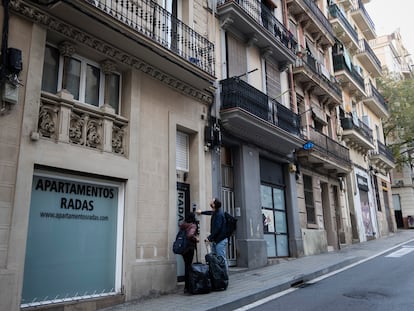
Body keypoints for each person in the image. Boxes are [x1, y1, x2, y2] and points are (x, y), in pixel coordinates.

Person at [196, 198, 228, 270]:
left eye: (212, 201)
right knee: (217, 258)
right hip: (217, 240)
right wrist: (201, 212)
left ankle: (224, 276)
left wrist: (209, 238)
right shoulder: (216, 211)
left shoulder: (219, 214)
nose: (210, 202)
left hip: (220, 240)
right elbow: (210, 212)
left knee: (221, 259)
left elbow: (217, 228)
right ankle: (219, 275)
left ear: (214, 205)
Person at [179, 212, 199, 293]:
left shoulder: (183, 225)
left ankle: (186, 287)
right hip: (189, 247)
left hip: (183, 248)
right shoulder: (193, 225)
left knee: (186, 266)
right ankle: (190, 286)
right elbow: (190, 235)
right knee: (189, 266)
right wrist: (196, 239)